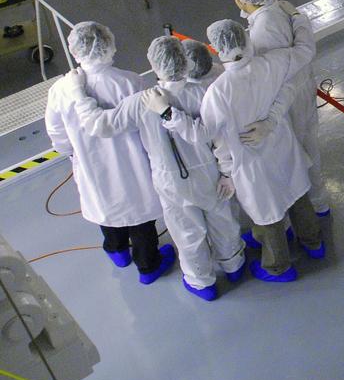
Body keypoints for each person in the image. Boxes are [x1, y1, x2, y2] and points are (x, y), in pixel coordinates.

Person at [66, 37, 246, 302]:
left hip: (171, 181)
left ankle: (202, 283)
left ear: (153, 65)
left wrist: (78, 93)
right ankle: (234, 266)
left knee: (188, 232)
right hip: (210, 173)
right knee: (223, 220)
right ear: (185, 62)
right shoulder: (203, 92)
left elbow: (99, 125)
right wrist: (227, 172)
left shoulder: (141, 102)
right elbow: (221, 136)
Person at [156, 19, 323, 283]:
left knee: (268, 213)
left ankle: (278, 267)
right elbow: (293, 81)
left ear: (217, 50)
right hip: (281, 144)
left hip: (250, 159)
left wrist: (168, 113)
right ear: (245, 40)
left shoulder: (219, 91)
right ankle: (314, 243)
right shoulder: (272, 62)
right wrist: (271, 121)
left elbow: (202, 134)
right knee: (297, 192)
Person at [43, 22, 174, 284]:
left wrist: (72, 153)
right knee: (140, 218)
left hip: (91, 167)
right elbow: (153, 127)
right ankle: (148, 266)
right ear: (109, 44)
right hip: (134, 165)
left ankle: (117, 253)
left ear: (75, 50)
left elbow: (56, 133)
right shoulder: (131, 82)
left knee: (106, 208)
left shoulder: (62, 89)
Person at [226, 0, 329, 217]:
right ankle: (319, 203)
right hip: (300, 89)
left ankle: (309, 208)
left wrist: (271, 118)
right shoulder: (277, 11)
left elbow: (281, 74)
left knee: (296, 152)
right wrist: (298, 15)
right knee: (307, 145)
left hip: (287, 98)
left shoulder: (264, 29)